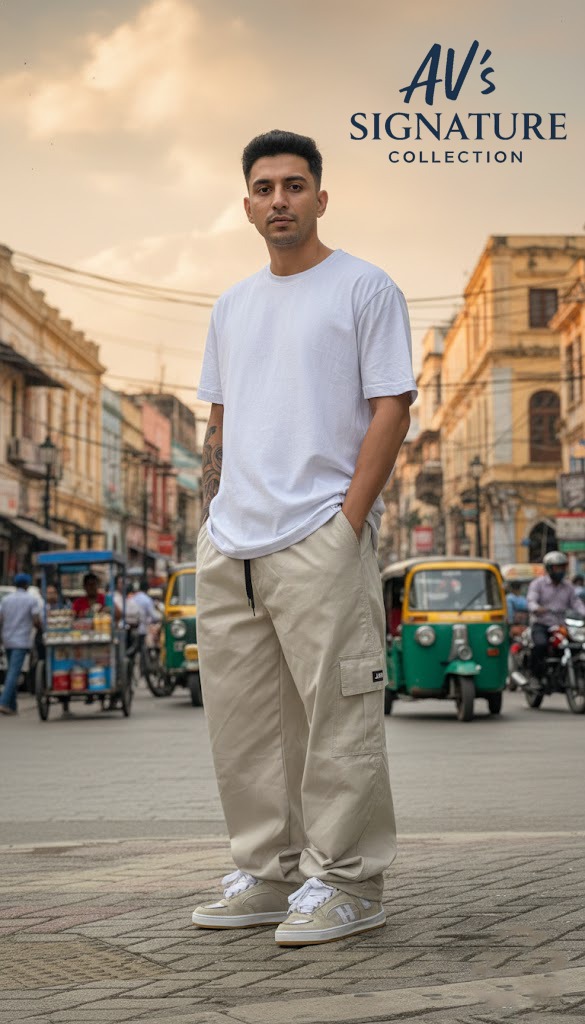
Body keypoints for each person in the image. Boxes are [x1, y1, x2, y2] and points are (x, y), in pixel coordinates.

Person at [192, 129, 416, 946]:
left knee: (338, 719)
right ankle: (265, 871)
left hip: (317, 535)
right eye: (263, 187)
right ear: (245, 203)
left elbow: (392, 404)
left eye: (293, 185)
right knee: (244, 726)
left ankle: (351, 883)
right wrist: (207, 522)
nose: (278, 199)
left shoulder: (363, 288)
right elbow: (217, 421)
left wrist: (345, 522)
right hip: (230, 546)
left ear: (320, 197)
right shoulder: (231, 305)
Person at [527, 551, 585, 681]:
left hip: (561, 626)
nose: (561, 571)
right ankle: (537, 676)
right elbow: (531, 601)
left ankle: (570, 675)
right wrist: (537, 608)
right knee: (540, 645)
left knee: (577, 646)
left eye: (563, 567)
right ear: (549, 568)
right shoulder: (538, 584)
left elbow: (576, 603)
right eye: (557, 567)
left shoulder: (568, 586)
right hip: (541, 624)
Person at [0, 573, 41, 715]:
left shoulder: (6, 600)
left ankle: (12, 706)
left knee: (10, 671)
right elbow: (36, 620)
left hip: (7, 639)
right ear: (27, 585)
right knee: (13, 672)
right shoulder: (31, 600)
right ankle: (4, 702)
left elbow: (1, 618)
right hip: (21, 640)